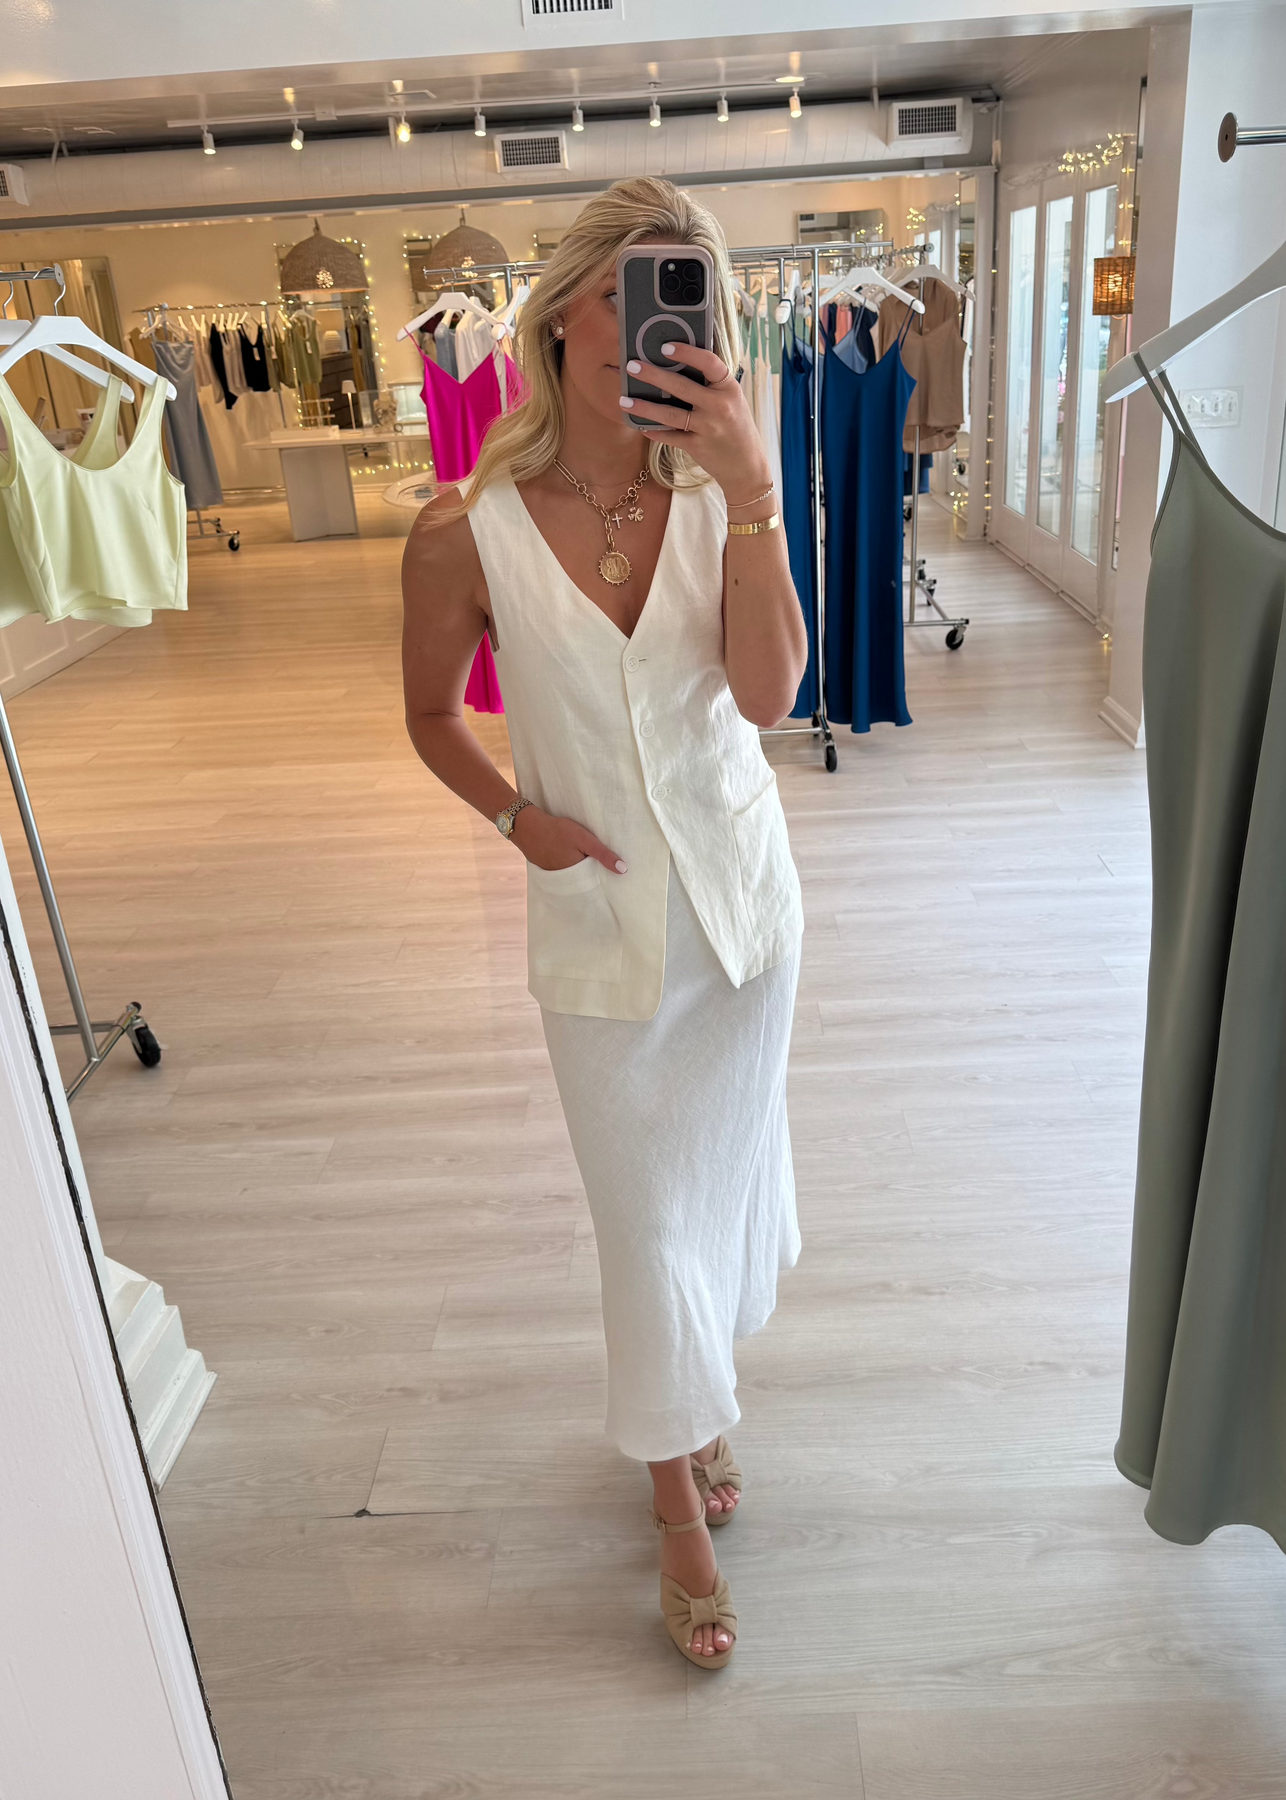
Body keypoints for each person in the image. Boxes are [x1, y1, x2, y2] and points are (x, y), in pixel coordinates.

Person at [401, 176, 807, 1671]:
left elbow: (769, 699)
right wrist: (521, 820)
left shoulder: (719, 498)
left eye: (692, 296)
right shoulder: (465, 532)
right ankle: (671, 1499)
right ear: (566, 314)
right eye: (639, 290)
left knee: (711, 1188)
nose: (665, 325)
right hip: (596, 923)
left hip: (740, 916)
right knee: (641, 1220)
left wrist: (754, 491)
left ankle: (694, 1408)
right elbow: (429, 716)